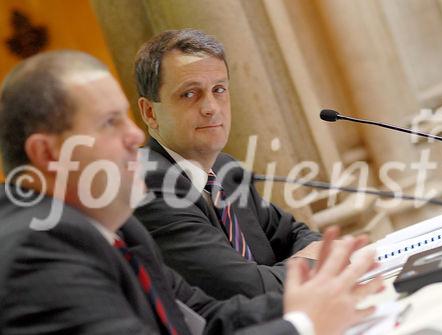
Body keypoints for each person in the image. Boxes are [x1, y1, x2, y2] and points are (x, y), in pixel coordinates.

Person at [0, 50, 383, 335]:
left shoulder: (120, 232)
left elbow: (207, 320)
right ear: (49, 154)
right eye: (110, 122)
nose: (135, 136)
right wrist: (303, 324)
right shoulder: (34, 251)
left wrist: (313, 301)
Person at [134, 29, 323, 300]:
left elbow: (296, 234)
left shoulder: (225, 170)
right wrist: (314, 264)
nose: (211, 107)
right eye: (190, 94)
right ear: (150, 113)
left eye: (219, 90)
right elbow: (247, 290)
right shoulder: (148, 184)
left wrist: (304, 260)